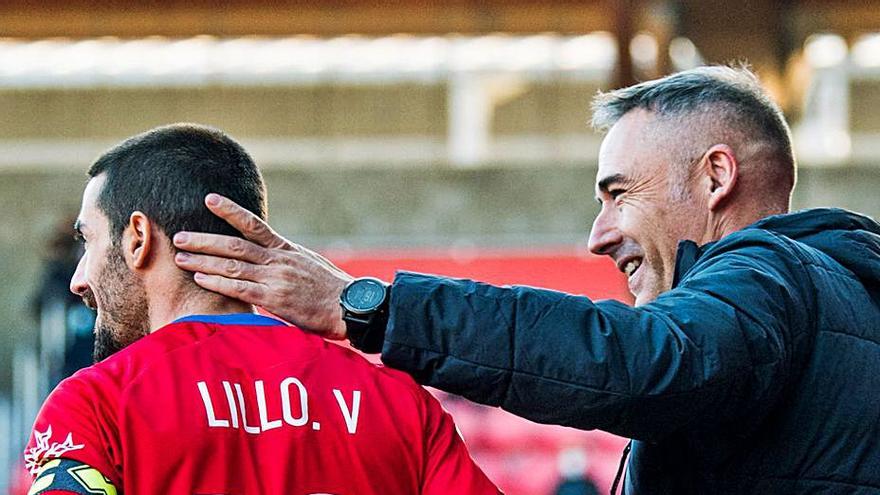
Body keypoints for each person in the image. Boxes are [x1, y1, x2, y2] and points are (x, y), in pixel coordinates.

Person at [173, 66, 880, 493]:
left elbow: (637, 360)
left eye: (618, 193)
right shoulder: (840, 297)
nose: (597, 235)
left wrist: (371, 308)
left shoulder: (767, 276)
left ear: (716, 177)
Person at [24, 124, 499, 495]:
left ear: (137, 238)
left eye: (88, 241)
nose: (78, 278)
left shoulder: (95, 405)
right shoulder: (399, 403)